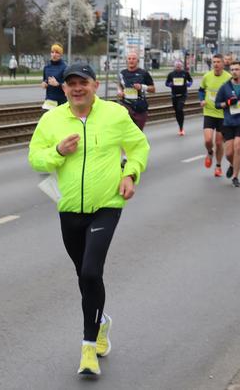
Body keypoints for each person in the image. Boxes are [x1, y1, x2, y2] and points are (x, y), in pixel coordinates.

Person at [28, 63, 149, 376]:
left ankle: (88, 349)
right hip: (69, 208)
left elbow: (139, 147)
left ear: (95, 85)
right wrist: (57, 150)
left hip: (107, 204)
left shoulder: (115, 115)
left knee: (92, 272)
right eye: (71, 84)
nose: (77, 88)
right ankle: (101, 321)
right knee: (84, 276)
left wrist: (130, 174)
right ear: (64, 88)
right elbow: (35, 158)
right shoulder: (52, 119)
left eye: (83, 82)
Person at [198, 54, 231, 177]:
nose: (216, 64)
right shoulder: (207, 76)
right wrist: (201, 100)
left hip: (223, 114)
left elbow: (233, 94)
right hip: (209, 112)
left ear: (223, 64)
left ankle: (218, 166)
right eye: (214, 62)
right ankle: (209, 152)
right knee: (207, 140)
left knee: (218, 143)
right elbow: (201, 90)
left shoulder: (228, 78)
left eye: (218, 62)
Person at [117, 52, 155, 130]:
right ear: (126, 61)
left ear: (137, 61)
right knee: (127, 132)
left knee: (138, 133)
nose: (131, 61)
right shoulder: (122, 73)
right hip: (126, 105)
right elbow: (119, 85)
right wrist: (120, 92)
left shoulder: (143, 73)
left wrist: (141, 87)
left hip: (140, 108)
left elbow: (153, 89)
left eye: (134, 59)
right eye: (129, 59)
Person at [165, 60, 193, 135]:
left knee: (179, 108)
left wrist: (189, 84)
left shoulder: (185, 73)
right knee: (177, 112)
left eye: (179, 66)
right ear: (174, 66)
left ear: (181, 66)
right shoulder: (171, 74)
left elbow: (190, 80)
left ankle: (181, 128)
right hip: (174, 95)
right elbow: (166, 83)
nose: (178, 67)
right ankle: (180, 126)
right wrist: (170, 84)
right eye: (177, 66)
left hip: (183, 94)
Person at [41, 44, 68, 110]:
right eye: (52, 52)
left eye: (57, 52)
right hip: (49, 101)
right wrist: (44, 84)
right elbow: (45, 80)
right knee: (46, 119)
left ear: (61, 55)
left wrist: (58, 84)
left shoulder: (65, 68)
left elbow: (68, 86)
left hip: (61, 102)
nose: (54, 54)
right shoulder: (46, 67)